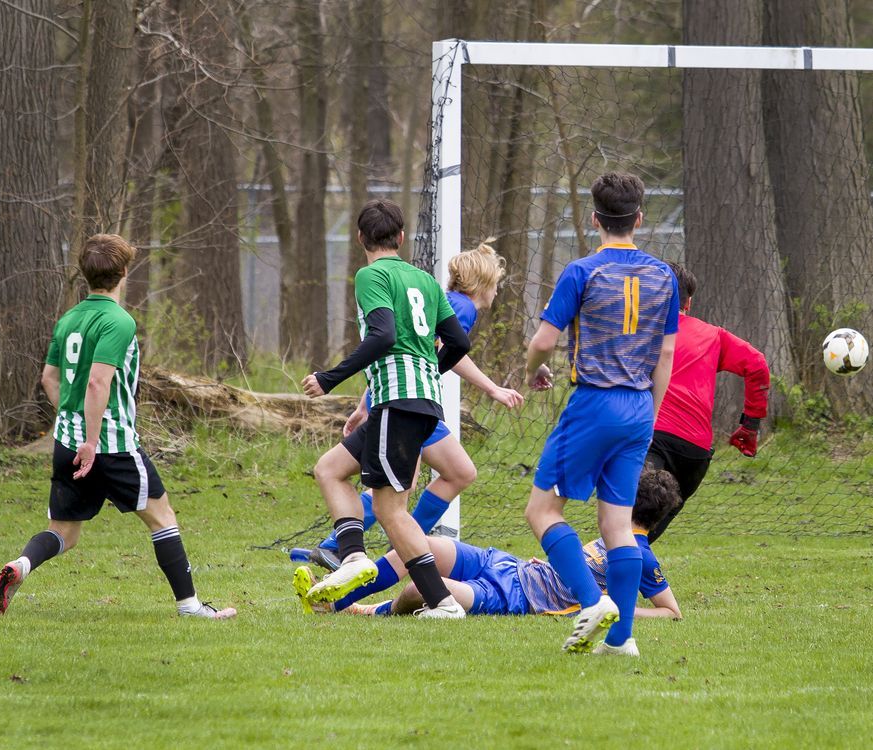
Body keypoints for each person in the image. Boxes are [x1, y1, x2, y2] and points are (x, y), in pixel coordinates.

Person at [0, 234, 236, 620]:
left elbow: (49, 380)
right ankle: (190, 607)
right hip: (110, 444)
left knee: (64, 532)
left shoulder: (69, 319)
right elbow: (97, 383)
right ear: (123, 273)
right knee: (162, 517)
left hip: (67, 443)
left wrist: (71, 425)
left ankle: (20, 566)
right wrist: (90, 439)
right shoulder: (118, 320)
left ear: (85, 275)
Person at [523, 173, 678, 657]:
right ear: (639, 218)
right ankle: (622, 639)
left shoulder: (582, 271)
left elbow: (544, 341)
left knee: (542, 510)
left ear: (595, 219)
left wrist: (535, 369)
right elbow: (666, 356)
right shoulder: (664, 276)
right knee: (616, 523)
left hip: (594, 401)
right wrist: (649, 414)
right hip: (637, 408)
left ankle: (593, 603)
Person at [305, 240, 524, 572]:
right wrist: (493, 388)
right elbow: (444, 353)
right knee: (409, 486)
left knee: (456, 472)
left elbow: (411, 355)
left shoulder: (448, 302)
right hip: (413, 403)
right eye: (496, 285)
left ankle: (371, 544)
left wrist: (366, 403)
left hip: (402, 398)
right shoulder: (462, 308)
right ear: (483, 284)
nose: (497, 293)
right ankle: (392, 549)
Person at [300, 199, 471, 618]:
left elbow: (382, 335)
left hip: (398, 402)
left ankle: (442, 603)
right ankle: (353, 556)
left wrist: (329, 378)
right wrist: (429, 373)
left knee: (390, 509)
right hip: (409, 401)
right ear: (400, 237)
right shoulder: (426, 281)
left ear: (361, 239)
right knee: (330, 469)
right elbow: (460, 343)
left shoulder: (370, 275)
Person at [293, 468, 682, 621]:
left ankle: (356, 610)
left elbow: (672, 613)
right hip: (508, 564)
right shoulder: (613, 531)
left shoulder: (642, 558)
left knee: (421, 589)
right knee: (423, 547)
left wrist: (611, 609)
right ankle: (335, 597)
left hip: (514, 597)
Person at [645, 262, 770, 542]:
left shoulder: (640, 331)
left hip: (651, 440)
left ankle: (574, 580)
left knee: (628, 530)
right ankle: (596, 580)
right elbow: (758, 365)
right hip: (694, 454)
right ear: (688, 303)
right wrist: (750, 425)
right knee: (640, 534)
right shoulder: (714, 335)